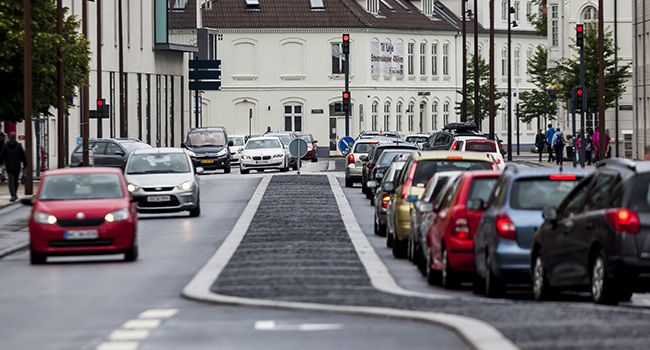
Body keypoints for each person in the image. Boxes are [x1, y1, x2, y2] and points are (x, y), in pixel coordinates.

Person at [0, 132, 27, 201]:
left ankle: (13, 195)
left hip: (9, 166)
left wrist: (1, 163)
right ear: (15, 137)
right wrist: (25, 165)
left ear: (9, 137)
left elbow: (1, 155)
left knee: (11, 181)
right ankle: (14, 193)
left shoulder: (6, 146)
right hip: (17, 166)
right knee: (15, 180)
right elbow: (23, 156)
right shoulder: (19, 146)